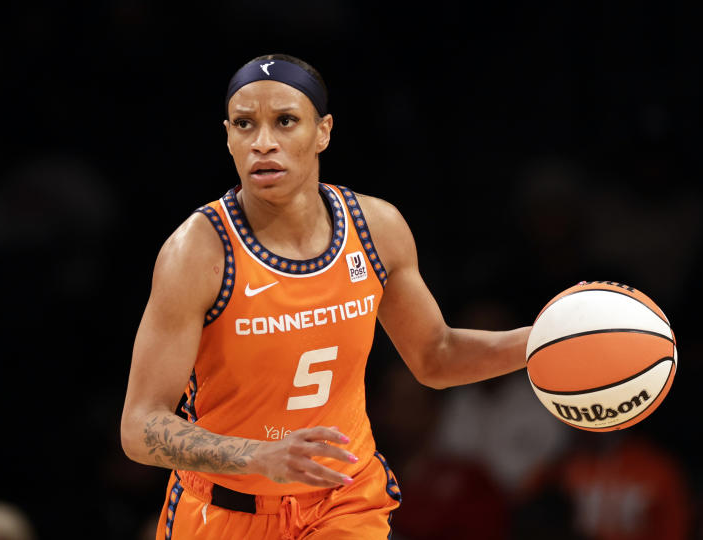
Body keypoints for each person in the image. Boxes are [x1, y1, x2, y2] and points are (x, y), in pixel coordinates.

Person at [120, 53, 532, 540]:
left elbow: (435, 356)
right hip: (227, 514)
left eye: (285, 121)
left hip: (346, 503)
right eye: (245, 125)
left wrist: (545, 341)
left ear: (323, 131)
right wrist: (257, 456)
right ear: (227, 136)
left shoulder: (376, 229)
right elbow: (140, 426)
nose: (263, 143)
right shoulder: (197, 251)